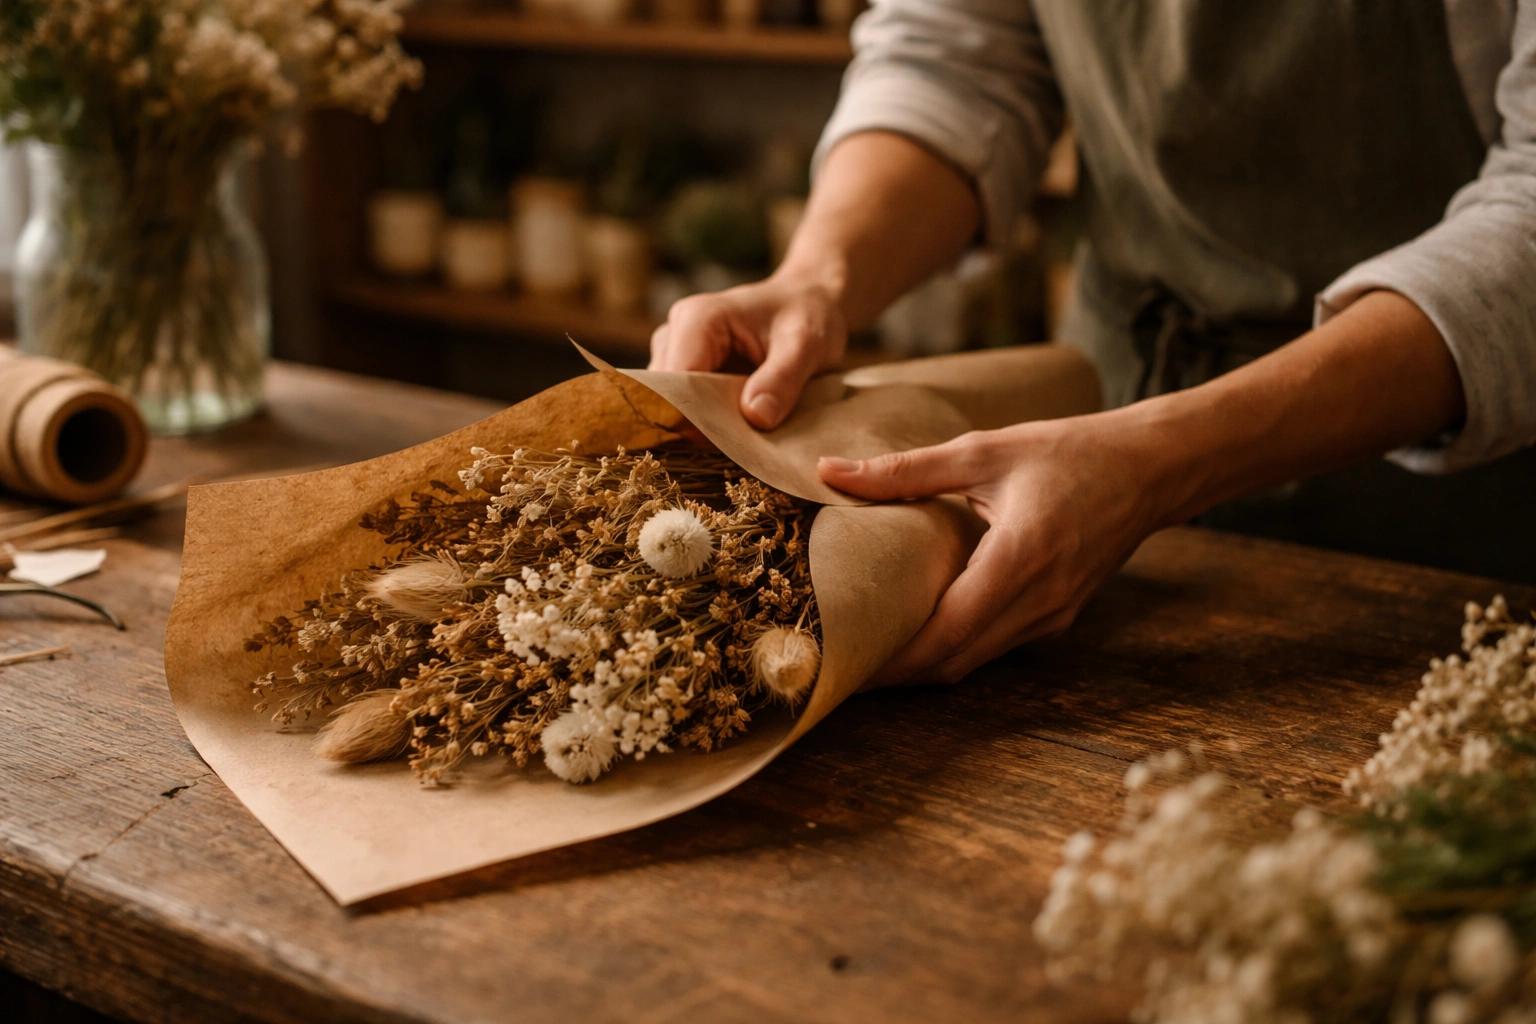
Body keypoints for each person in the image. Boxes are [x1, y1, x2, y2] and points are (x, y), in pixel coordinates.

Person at [649, 1, 1536, 684]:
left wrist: (1160, 461)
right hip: (1098, 425)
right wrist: (820, 277)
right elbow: (959, 57)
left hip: (1438, 483)